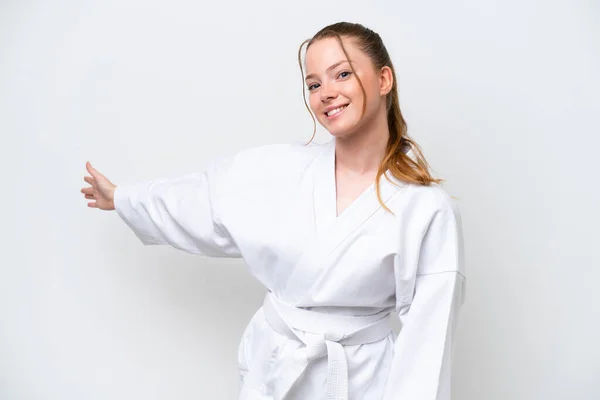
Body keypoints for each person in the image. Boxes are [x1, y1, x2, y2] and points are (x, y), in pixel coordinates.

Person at [81, 21, 466, 400]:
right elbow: (203, 200)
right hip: (275, 367)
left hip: (359, 381)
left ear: (384, 80)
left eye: (342, 74)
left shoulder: (425, 208)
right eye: (314, 84)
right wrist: (123, 197)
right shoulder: (277, 171)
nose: (325, 93)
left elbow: (427, 345)